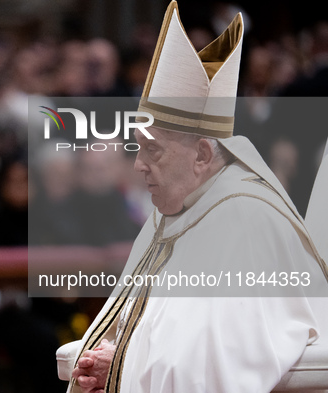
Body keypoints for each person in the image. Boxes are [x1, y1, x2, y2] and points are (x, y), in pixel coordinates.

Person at [58, 2, 328, 393]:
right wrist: (111, 354)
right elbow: (156, 325)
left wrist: (121, 365)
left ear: (202, 155)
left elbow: (216, 369)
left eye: (154, 151)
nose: (138, 166)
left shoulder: (244, 220)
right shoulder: (175, 210)